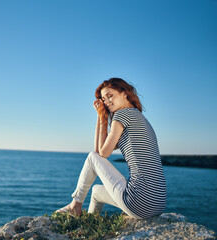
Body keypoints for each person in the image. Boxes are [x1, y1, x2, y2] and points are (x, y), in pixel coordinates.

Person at [56, 78, 166, 219]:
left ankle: (75, 205)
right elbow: (99, 150)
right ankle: (90, 224)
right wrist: (101, 116)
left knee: (91, 157)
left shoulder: (123, 114)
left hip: (138, 202)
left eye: (110, 96)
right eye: (104, 99)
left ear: (124, 93)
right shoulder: (137, 117)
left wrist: (102, 117)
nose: (107, 102)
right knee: (96, 192)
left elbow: (101, 153)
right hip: (156, 205)